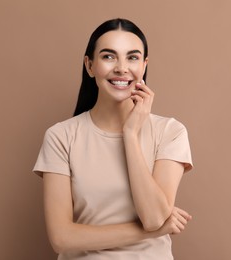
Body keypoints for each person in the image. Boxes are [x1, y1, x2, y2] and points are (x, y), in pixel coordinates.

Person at [33, 18, 193, 260]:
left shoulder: (171, 131)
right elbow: (62, 239)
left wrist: (130, 135)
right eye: (109, 56)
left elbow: (153, 217)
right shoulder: (61, 136)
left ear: (144, 65)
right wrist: (153, 232)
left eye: (132, 57)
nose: (121, 68)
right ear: (89, 65)